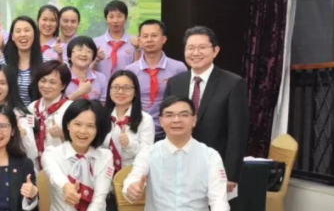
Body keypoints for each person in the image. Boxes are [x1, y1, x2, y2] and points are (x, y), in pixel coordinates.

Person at [163, 26, 248, 190]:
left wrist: (230, 174)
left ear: (215, 51)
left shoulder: (233, 83)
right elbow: (168, 123)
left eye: (202, 47)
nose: (195, 53)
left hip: (215, 168)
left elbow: (237, 133)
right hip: (177, 166)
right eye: (190, 48)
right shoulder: (175, 82)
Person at [124, 20, 187, 140]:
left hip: (169, 133)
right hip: (138, 133)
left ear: (163, 39)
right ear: (139, 40)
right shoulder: (130, 70)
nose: (149, 40)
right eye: (145, 36)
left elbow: (184, 102)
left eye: (154, 35)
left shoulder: (178, 68)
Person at [0, 65, 38, 163]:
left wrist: (22, 136)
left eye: (2, 83)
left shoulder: (20, 116)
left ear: (10, 87)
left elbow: (32, 154)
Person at [104, 70, 155, 174]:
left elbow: (147, 154)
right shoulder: (101, 116)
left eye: (126, 88)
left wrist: (129, 144)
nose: (120, 92)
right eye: (115, 87)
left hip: (133, 174)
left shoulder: (145, 119)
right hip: (104, 174)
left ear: (135, 92)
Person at [29, 61, 72, 155]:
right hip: (34, 161)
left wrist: (62, 135)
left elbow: (80, 145)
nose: (46, 86)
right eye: (43, 80)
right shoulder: (32, 107)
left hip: (60, 161)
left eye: (53, 82)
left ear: (63, 85)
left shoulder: (70, 109)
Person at [93, 0, 139, 79]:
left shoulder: (134, 42)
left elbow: (138, 68)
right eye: (111, 17)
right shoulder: (96, 42)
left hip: (126, 85)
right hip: (103, 86)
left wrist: (138, 49)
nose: (115, 20)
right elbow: (89, 70)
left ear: (126, 18)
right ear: (106, 19)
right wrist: (96, 60)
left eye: (119, 16)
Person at [3, 16, 43, 106]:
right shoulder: (3, 62)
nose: (22, 34)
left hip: (38, 112)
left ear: (34, 34)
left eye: (27, 30)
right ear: (12, 37)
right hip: (10, 112)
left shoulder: (46, 62)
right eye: (18, 31)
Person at [65, 36, 108, 102]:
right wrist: (79, 93)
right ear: (69, 55)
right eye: (79, 50)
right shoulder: (62, 77)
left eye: (88, 51)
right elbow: (55, 105)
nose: (84, 54)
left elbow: (104, 104)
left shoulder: (101, 78)